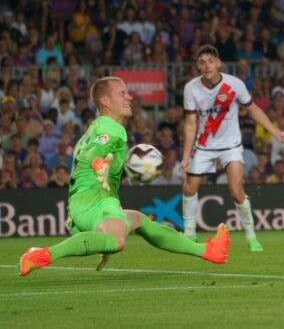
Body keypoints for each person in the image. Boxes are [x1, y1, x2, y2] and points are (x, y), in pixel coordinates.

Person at [19, 77, 229, 277]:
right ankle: (42, 255)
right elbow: (94, 153)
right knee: (116, 240)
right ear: (105, 100)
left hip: (82, 206)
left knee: (139, 220)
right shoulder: (112, 128)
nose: (129, 97)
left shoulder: (96, 127)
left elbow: (90, 150)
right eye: (122, 93)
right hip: (95, 201)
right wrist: (98, 163)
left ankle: (208, 251)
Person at [180, 45, 284, 251]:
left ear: (218, 63)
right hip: (204, 146)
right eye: (202, 62)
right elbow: (190, 123)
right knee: (189, 188)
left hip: (231, 145)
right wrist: (186, 156)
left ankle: (251, 235)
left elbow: (253, 110)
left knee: (235, 191)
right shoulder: (191, 88)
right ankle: (189, 233)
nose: (206, 66)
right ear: (197, 65)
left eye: (210, 61)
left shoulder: (234, 84)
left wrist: (276, 132)